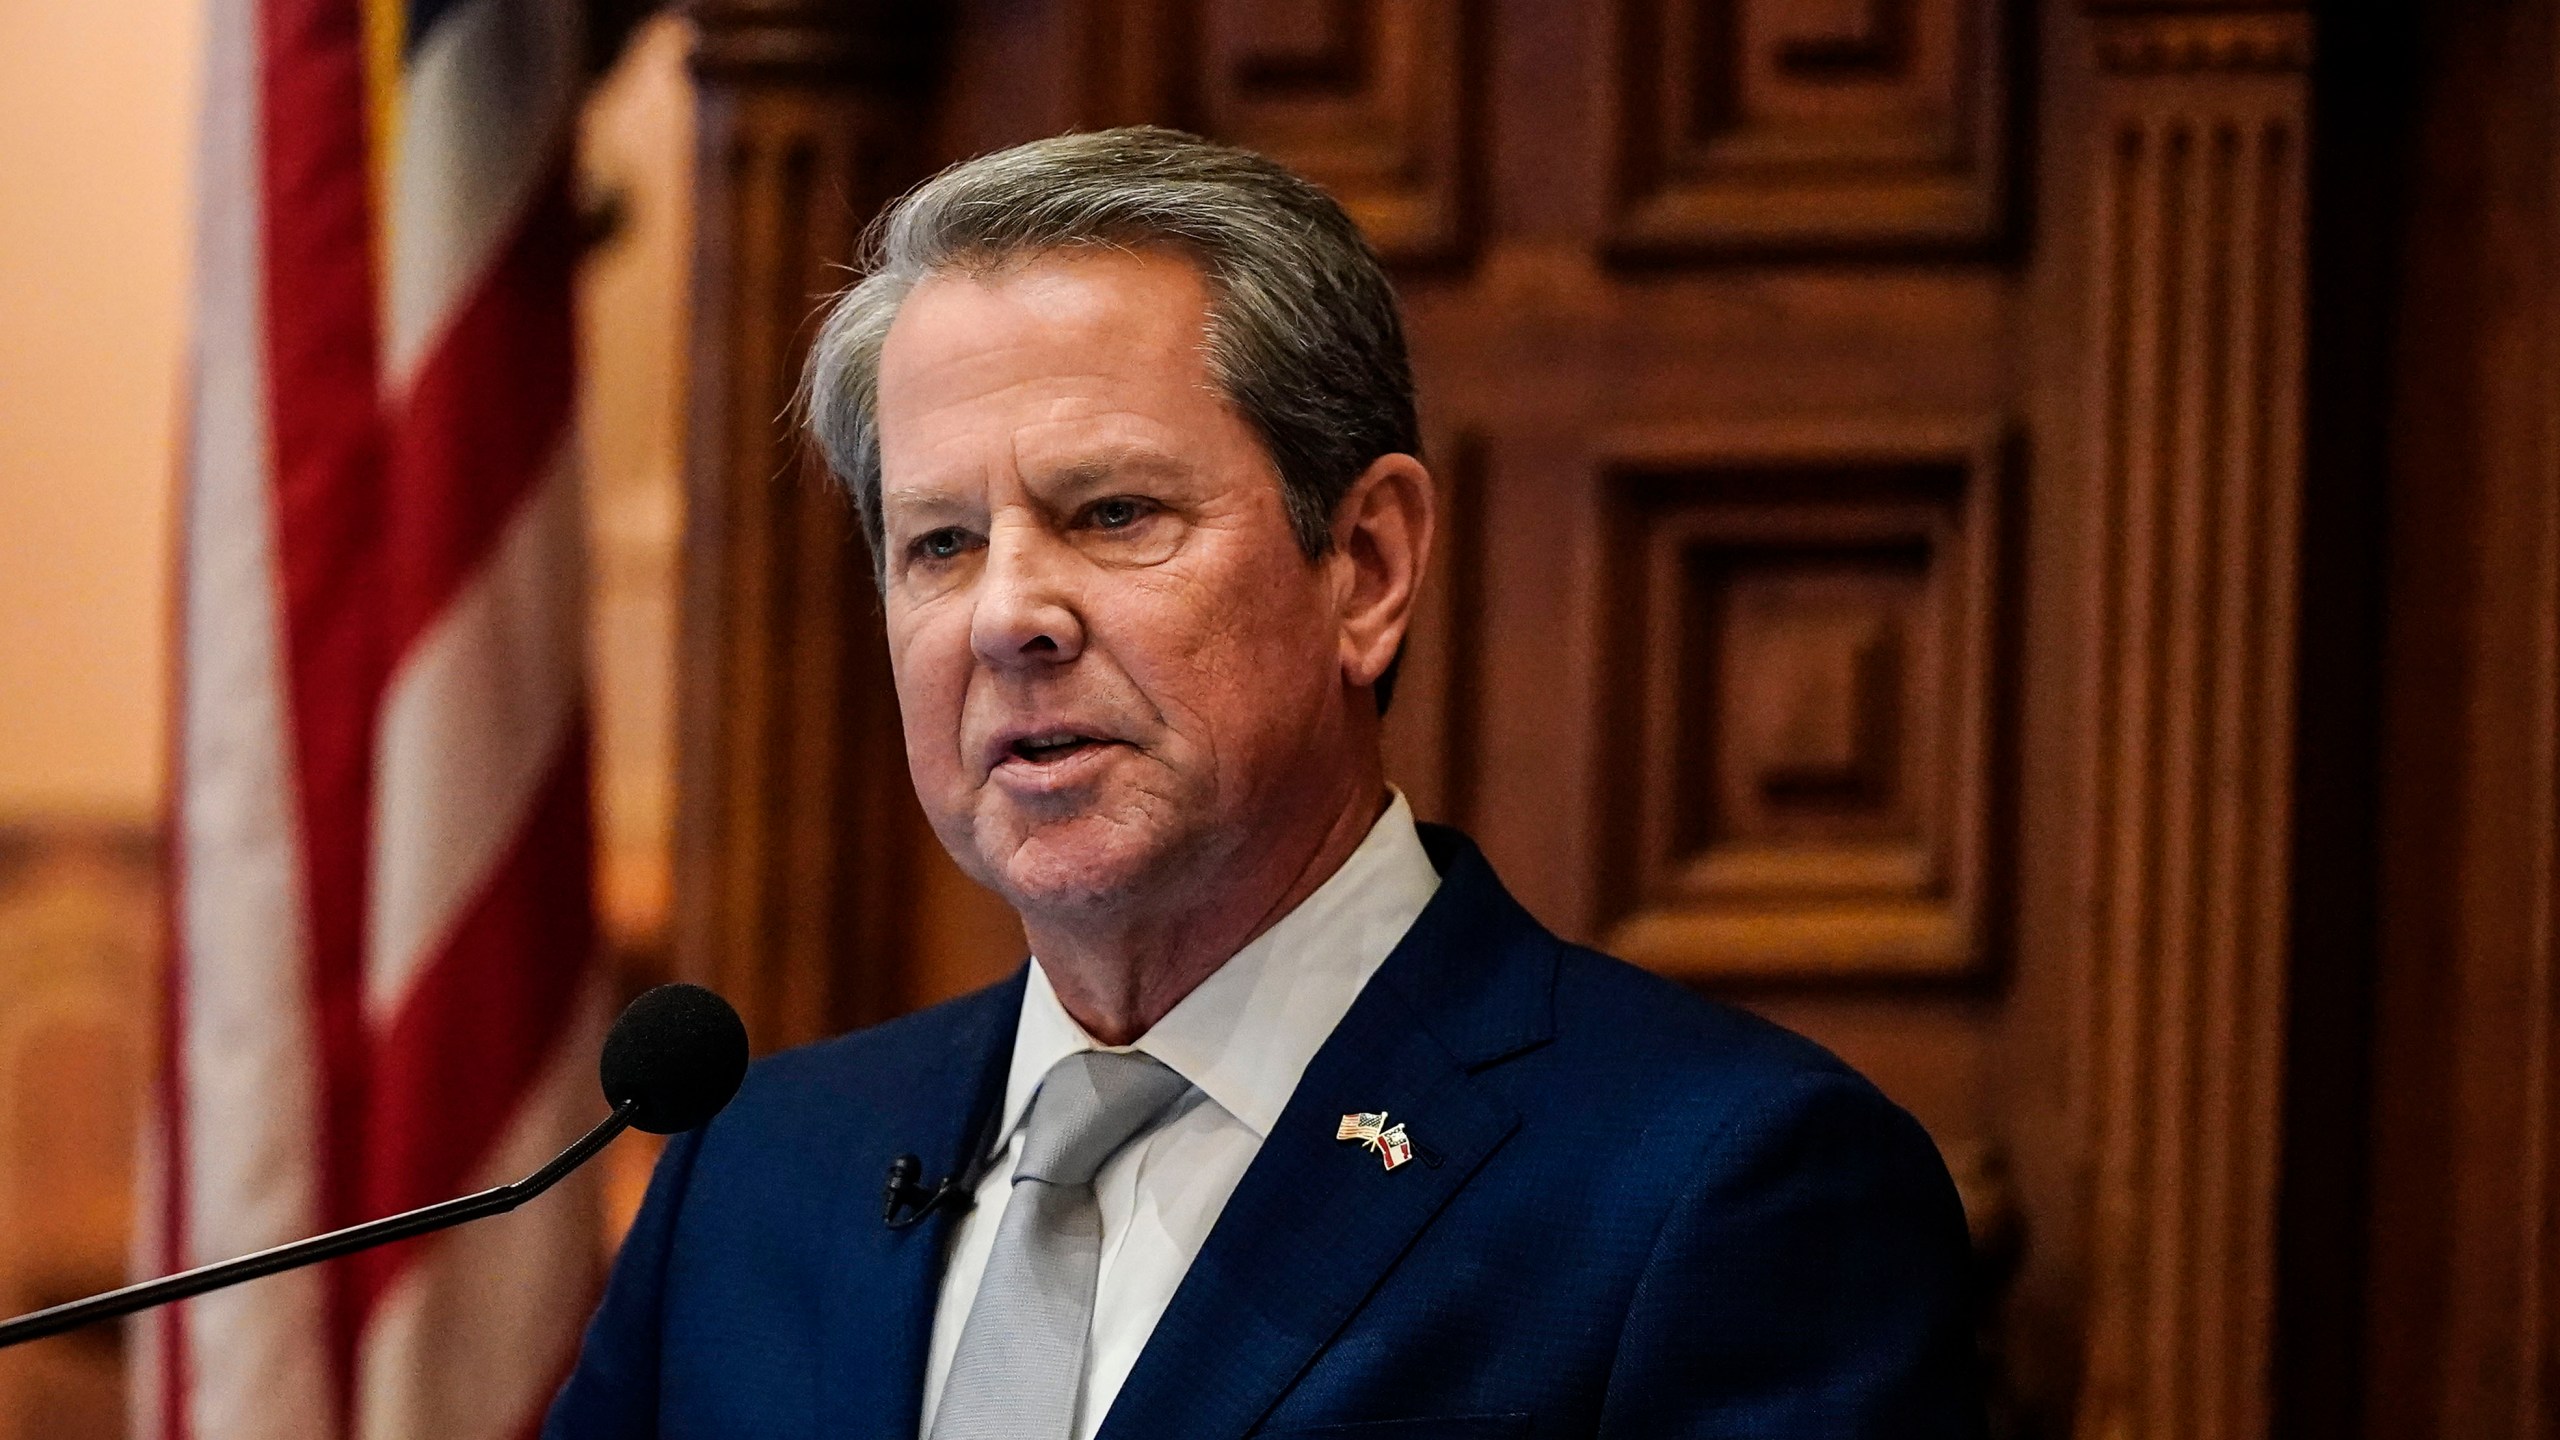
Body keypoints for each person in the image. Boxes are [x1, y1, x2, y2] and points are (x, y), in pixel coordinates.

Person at [545, 126, 1981, 1440]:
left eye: (1112, 513)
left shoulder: (1715, 1194)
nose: (1007, 615)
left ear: (1365, 568)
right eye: (938, 544)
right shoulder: (756, 1176)